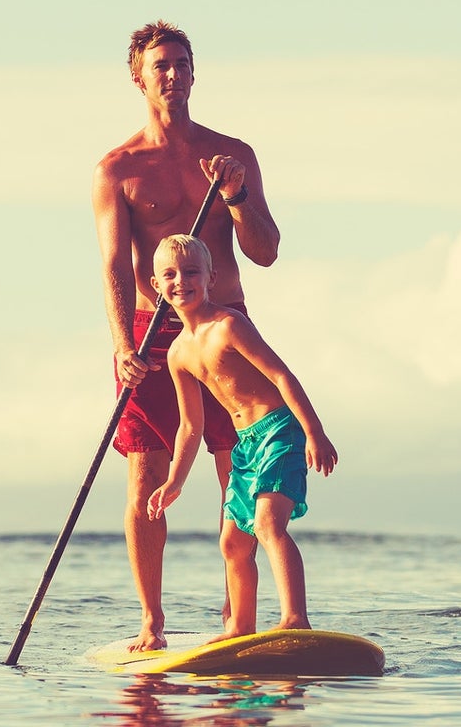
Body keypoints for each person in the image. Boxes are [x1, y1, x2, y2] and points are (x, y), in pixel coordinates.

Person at [94, 21, 281, 652]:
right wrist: (124, 343)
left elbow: (265, 251)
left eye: (182, 63)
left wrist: (236, 195)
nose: (173, 75)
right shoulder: (118, 169)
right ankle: (151, 621)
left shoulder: (233, 154)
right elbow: (117, 266)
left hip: (224, 325)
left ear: (195, 72)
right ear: (139, 78)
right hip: (152, 332)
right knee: (147, 477)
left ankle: (238, 617)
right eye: (161, 66)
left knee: (240, 471)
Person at [145, 234, 337, 639]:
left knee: (268, 525)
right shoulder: (178, 353)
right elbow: (190, 427)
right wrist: (174, 481)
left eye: (192, 272)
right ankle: (240, 626)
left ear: (212, 278)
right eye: (170, 275)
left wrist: (313, 432)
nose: (181, 281)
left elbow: (281, 375)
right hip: (245, 445)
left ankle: (295, 620)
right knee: (233, 542)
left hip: (280, 431)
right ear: (156, 286)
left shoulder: (230, 326)